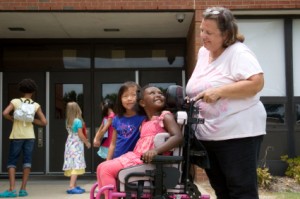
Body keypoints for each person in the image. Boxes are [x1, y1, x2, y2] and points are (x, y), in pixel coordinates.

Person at [185, 7, 267, 199]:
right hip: (209, 136)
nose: (203, 36)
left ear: (227, 34)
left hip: (238, 134)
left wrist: (219, 91)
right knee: (221, 191)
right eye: (202, 30)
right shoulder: (204, 53)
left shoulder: (238, 53)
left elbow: (257, 83)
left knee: (241, 191)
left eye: (209, 32)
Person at [96, 85, 183, 199]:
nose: (158, 94)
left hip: (151, 161)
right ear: (142, 103)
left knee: (106, 169)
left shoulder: (165, 116)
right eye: (152, 93)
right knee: (101, 166)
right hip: (137, 157)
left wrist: (155, 151)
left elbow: (178, 137)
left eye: (160, 93)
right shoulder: (145, 121)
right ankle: (106, 195)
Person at [0, 78, 47, 198]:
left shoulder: (15, 101)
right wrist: (32, 120)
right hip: (30, 136)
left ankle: (11, 189)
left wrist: (12, 119)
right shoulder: (35, 105)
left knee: (12, 161)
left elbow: (5, 113)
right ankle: (23, 189)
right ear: (33, 91)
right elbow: (44, 122)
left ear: (21, 90)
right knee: (27, 162)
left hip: (16, 135)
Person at [106, 81, 146, 160]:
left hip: (134, 161)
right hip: (117, 159)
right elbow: (113, 144)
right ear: (120, 99)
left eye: (133, 95)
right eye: (125, 96)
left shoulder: (144, 118)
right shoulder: (116, 119)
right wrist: (107, 161)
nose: (129, 99)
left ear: (140, 97)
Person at [62, 101, 91, 194]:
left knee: (73, 162)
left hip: (69, 143)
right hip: (76, 144)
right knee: (77, 164)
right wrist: (87, 142)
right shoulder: (78, 121)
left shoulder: (67, 120)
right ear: (77, 109)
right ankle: (71, 186)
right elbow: (80, 134)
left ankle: (74, 185)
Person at [93, 99, 115, 163]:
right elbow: (100, 129)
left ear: (106, 106)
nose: (102, 108)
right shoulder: (106, 116)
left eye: (102, 106)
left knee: (109, 161)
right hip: (106, 142)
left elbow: (103, 130)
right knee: (108, 161)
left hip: (110, 142)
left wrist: (97, 139)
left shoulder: (111, 116)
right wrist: (95, 138)